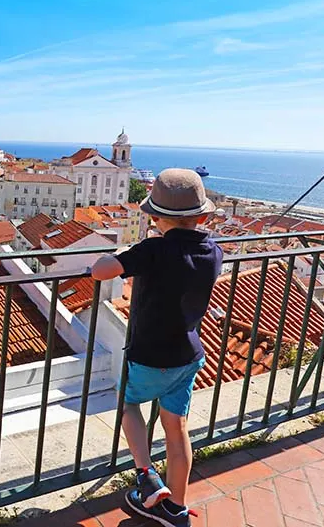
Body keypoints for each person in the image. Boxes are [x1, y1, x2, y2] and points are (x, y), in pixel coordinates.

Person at [90, 168, 222, 527]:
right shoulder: (214, 251)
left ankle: (146, 473)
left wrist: (125, 251)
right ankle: (175, 509)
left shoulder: (152, 250)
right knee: (177, 431)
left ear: (154, 216)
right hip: (188, 356)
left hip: (149, 356)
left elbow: (101, 271)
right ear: (202, 215)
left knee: (128, 403)